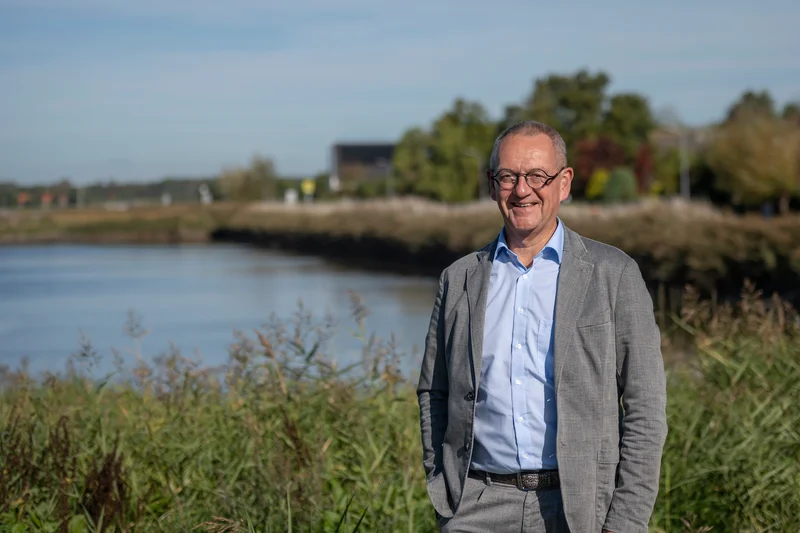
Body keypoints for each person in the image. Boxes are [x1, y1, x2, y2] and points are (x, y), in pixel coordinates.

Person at [416, 120, 668, 532]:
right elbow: (434, 391)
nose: (521, 190)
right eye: (508, 176)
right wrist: (443, 490)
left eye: (537, 176)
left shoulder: (613, 274)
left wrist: (625, 522)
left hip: (578, 508)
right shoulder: (459, 278)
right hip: (475, 507)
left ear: (564, 182)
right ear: (492, 182)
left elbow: (646, 408)